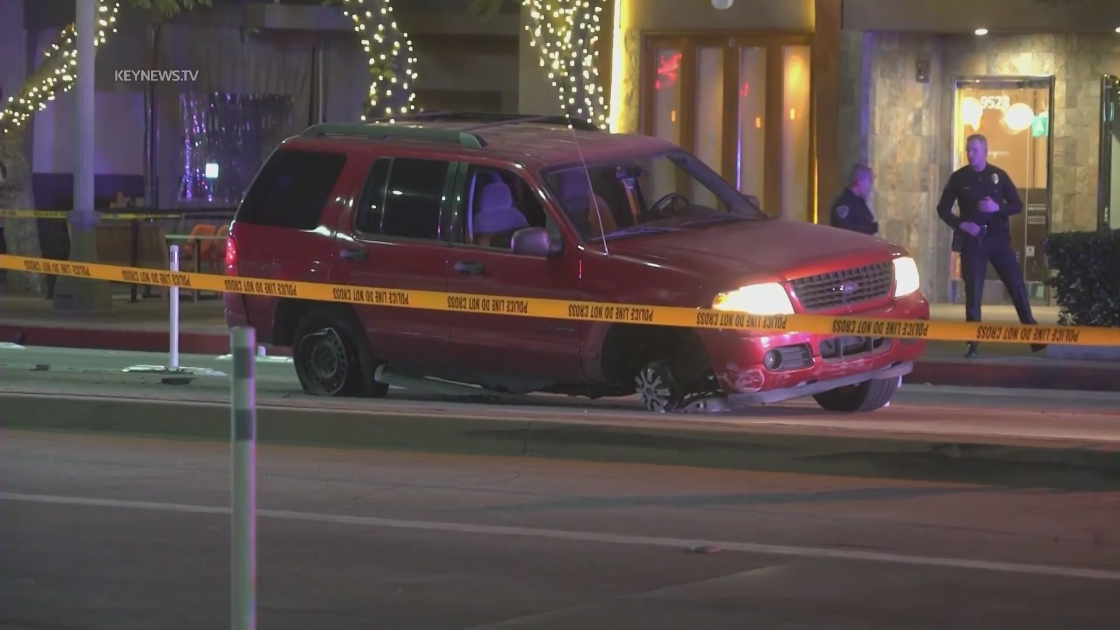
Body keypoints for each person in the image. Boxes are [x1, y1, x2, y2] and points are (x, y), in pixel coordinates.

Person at [936, 133, 1044, 358]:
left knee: (1016, 285)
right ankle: (972, 342)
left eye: (974, 150)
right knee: (973, 291)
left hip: (998, 239)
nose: (970, 154)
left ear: (985, 152)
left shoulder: (998, 175)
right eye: (967, 150)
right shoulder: (958, 178)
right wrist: (961, 224)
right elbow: (943, 209)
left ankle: (1033, 336)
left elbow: (1017, 205)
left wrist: (998, 208)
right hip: (974, 241)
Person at [829, 164, 879, 235]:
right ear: (858, 181)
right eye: (869, 181)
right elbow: (845, 231)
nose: (870, 186)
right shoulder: (844, 203)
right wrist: (870, 228)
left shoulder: (860, 203)